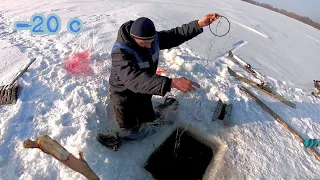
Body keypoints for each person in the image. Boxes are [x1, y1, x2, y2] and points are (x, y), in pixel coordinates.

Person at [109, 13, 220, 134]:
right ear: (133, 38)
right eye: (144, 43)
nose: (149, 46)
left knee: (149, 119)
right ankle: (121, 134)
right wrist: (170, 83)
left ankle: (149, 114)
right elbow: (133, 79)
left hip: (145, 90)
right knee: (130, 130)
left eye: (151, 42)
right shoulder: (120, 53)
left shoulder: (152, 39)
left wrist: (199, 24)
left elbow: (175, 34)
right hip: (124, 95)